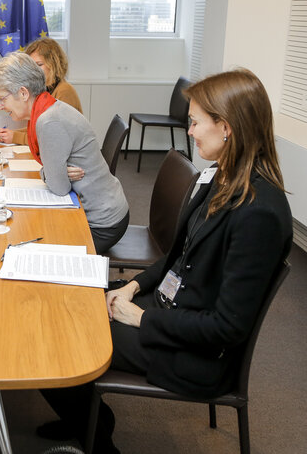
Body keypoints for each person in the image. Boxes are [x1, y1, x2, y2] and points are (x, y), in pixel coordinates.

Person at [38, 69, 293, 453]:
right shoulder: (218, 176)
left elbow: (227, 328)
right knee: (56, 300)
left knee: (53, 337)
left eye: (194, 122)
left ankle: (98, 436)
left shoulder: (259, 212)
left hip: (194, 352)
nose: (188, 131)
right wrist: (132, 286)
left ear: (226, 127)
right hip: (167, 308)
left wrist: (140, 317)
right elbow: (177, 257)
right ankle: (86, 415)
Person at [0, 52, 129, 253]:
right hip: (100, 208)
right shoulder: (47, 110)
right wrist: (55, 171)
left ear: (23, 93)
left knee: (32, 248)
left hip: (101, 223)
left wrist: (50, 172)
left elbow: (59, 186)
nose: (1, 106)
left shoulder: (49, 121)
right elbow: (57, 176)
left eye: (3, 99)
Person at [0, 37, 82, 146]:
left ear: (54, 65)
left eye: (39, 65)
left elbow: (53, 138)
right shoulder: (44, 91)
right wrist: (11, 133)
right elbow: (36, 129)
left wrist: (15, 137)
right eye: (31, 66)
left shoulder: (64, 91)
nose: (34, 71)